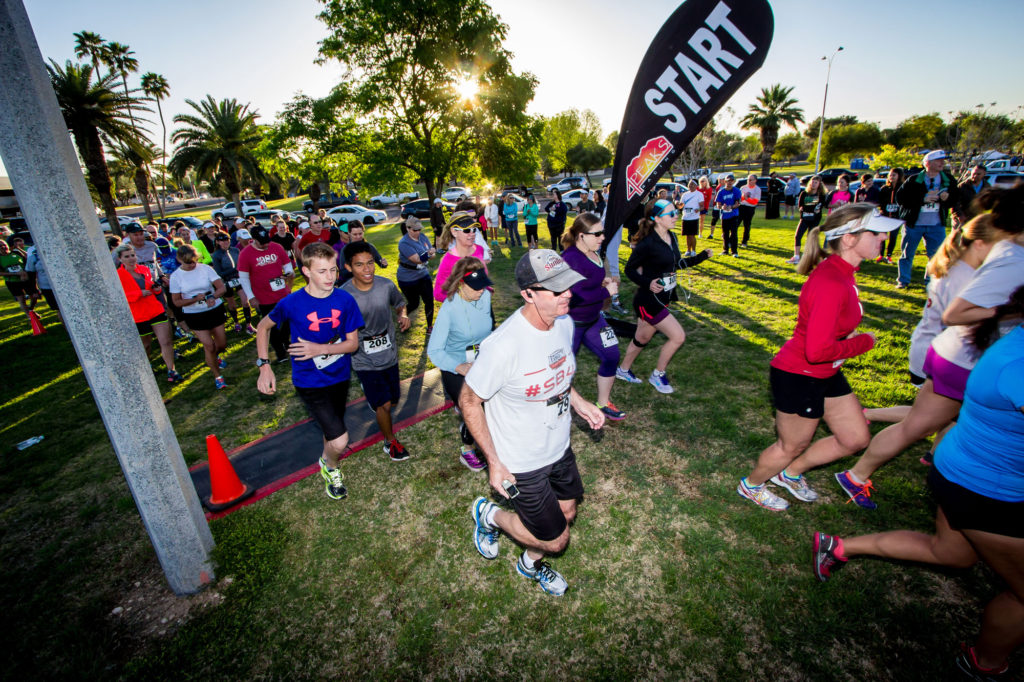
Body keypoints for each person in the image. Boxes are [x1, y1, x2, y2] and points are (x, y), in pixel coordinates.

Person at [813, 296, 1024, 681]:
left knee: (952, 554)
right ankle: (984, 664)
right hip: (988, 488)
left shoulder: (1011, 341)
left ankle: (840, 547)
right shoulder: (1018, 361)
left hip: (962, 469)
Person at [835, 188, 1024, 508]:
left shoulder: (969, 266)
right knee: (921, 423)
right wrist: (1014, 309)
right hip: (958, 357)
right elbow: (957, 315)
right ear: (982, 243)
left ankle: (933, 460)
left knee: (939, 420)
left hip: (955, 354)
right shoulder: (997, 264)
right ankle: (859, 470)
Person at [736, 204, 901, 511]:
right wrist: (863, 342)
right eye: (875, 232)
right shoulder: (831, 282)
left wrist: (845, 338)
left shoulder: (844, 274)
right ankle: (752, 485)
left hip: (826, 373)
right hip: (801, 375)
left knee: (855, 438)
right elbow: (816, 351)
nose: (883, 238)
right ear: (849, 239)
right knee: (792, 445)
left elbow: (828, 336)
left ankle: (790, 474)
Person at [463, 249, 604, 597]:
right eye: (556, 291)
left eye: (568, 286)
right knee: (556, 540)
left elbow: (557, 376)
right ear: (527, 293)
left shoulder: (564, 321)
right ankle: (489, 515)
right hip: (520, 460)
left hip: (558, 445)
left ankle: (528, 563)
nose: (567, 295)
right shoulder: (503, 346)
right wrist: (495, 464)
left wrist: (580, 402)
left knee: (568, 511)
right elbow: (469, 400)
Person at [256, 242, 363, 500]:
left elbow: (353, 343)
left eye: (333, 270)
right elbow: (262, 327)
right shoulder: (291, 303)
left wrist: (319, 349)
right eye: (322, 271)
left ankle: (330, 463)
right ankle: (330, 465)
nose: (330, 277)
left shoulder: (345, 299)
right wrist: (264, 366)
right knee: (339, 440)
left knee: (332, 430)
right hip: (308, 380)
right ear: (306, 271)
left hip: (339, 376)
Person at [616, 199, 712, 393]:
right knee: (678, 337)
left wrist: (701, 256)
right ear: (657, 218)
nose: (676, 216)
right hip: (649, 301)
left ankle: (622, 370)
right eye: (671, 214)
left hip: (664, 297)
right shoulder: (648, 243)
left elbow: (676, 264)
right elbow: (629, 269)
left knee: (642, 338)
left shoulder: (673, 237)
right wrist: (648, 283)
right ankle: (657, 375)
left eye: (676, 212)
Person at [341, 240, 412, 461]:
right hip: (363, 359)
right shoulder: (344, 296)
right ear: (348, 268)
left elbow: (400, 303)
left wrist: (403, 315)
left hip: (389, 354)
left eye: (370, 263)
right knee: (384, 404)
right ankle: (390, 441)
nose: (367, 269)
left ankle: (378, 401)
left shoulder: (386, 285)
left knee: (393, 399)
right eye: (360, 265)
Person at [426, 257, 493, 471]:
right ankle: (467, 450)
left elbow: (490, 330)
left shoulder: (486, 297)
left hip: (481, 362)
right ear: (461, 284)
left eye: (483, 285)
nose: (481, 291)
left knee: (491, 406)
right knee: (472, 409)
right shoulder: (449, 308)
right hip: (456, 365)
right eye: (476, 287)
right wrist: (459, 367)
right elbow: (435, 350)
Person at [561, 213, 625, 420]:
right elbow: (574, 296)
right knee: (563, 369)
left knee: (612, 355)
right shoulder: (570, 258)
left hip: (594, 319)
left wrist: (603, 281)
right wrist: (606, 293)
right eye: (597, 234)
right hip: (572, 324)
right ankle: (558, 407)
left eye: (602, 233)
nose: (602, 237)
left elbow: (589, 280)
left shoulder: (593, 252)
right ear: (581, 236)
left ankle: (604, 402)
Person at [114, 243, 180, 383]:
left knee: (166, 341)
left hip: (155, 309)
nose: (131, 258)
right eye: (127, 256)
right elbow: (118, 296)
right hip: (138, 315)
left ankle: (172, 370)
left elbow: (151, 287)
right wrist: (138, 293)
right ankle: (147, 366)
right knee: (146, 345)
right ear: (120, 259)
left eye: (133, 255)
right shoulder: (117, 275)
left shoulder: (144, 269)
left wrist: (156, 289)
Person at [895, 149, 960, 289]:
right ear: (928, 163)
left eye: (943, 160)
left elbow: (955, 199)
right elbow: (900, 199)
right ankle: (903, 281)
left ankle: (930, 281)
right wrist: (922, 199)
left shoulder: (948, 180)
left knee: (936, 255)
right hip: (914, 224)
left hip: (936, 224)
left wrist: (946, 199)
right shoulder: (913, 180)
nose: (942, 163)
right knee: (907, 254)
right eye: (938, 160)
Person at [169, 244, 229, 389]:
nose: (192, 265)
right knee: (209, 345)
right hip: (194, 314)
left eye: (194, 261)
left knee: (221, 344)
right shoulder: (176, 276)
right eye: (188, 263)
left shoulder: (206, 268)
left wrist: (212, 296)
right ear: (179, 259)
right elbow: (176, 302)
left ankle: (216, 356)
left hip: (214, 309)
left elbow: (222, 287)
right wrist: (195, 299)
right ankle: (218, 376)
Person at [238, 224, 295, 364]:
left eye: (266, 243)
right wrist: (250, 296)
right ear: (254, 240)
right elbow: (243, 278)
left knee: (289, 320)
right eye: (261, 243)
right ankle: (280, 353)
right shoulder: (245, 254)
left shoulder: (276, 247)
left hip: (282, 292)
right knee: (271, 325)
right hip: (263, 296)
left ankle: (285, 341)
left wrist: (288, 273)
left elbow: (287, 264)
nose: (265, 246)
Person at [433, 211, 490, 303]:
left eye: (474, 230)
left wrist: (487, 289)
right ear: (454, 232)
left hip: (483, 303)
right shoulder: (448, 260)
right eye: (466, 230)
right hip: (464, 310)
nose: (472, 234)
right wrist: (464, 299)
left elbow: (481, 277)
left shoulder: (479, 249)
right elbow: (438, 294)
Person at [396, 216, 437, 333]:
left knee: (429, 300)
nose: (418, 232)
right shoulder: (404, 243)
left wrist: (430, 253)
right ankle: (402, 317)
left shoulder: (423, 237)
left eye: (419, 229)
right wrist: (429, 253)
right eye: (415, 230)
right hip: (407, 278)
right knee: (414, 303)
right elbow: (417, 259)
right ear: (407, 228)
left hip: (422, 274)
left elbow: (432, 255)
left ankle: (429, 327)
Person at [211, 232, 256, 334]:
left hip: (239, 278)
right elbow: (219, 273)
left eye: (227, 239)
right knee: (232, 304)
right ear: (218, 242)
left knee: (245, 301)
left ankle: (249, 324)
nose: (225, 242)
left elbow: (242, 264)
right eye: (222, 240)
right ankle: (236, 322)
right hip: (227, 281)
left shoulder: (235, 250)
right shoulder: (216, 255)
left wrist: (240, 270)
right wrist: (235, 269)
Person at [786, 175, 827, 264]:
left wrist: (809, 208)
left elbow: (819, 207)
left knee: (810, 237)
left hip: (814, 219)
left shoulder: (821, 195)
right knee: (798, 236)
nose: (813, 184)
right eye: (812, 182)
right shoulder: (804, 193)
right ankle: (796, 256)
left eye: (816, 182)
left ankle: (808, 256)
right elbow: (800, 206)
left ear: (819, 184)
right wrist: (806, 208)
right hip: (804, 218)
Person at [336, 221, 386, 286]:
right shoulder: (345, 250)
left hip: (369, 283)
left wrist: (383, 263)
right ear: (349, 233)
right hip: (353, 284)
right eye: (355, 234)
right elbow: (343, 273)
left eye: (360, 234)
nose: (358, 237)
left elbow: (381, 263)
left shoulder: (369, 247)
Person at [24, 245, 60, 323]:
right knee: (59, 309)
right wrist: (34, 290)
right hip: (47, 287)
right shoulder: (33, 256)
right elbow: (30, 275)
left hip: (62, 284)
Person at [875, 168, 903, 264]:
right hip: (885, 216)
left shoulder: (902, 188)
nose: (891, 177)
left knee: (893, 237)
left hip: (896, 217)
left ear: (899, 176)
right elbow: (880, 202)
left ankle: (889, 255)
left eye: (894, 175)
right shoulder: (885, 189)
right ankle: (881, 255)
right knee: (882, 236)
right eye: (890, 175)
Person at [0, 238, 36, 315]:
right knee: (21, 300)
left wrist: (19, 249)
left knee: (34, 297)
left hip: (25, 278)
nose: (3, 247)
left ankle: (30, 309)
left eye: (4, 245)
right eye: (0, 246)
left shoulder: (16, 252)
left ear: (7, 245)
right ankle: (29, 316)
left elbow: (28, 258)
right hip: (12, 281)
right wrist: (16, 274)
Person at [714, 173, 742, 257]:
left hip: (734, 214)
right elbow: (718, 205)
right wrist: (723, 207)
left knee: (734, 233)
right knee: (725, 233)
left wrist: (731, 206)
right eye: (728, 181)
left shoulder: (736, 191)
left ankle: (734, 251)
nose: (729, 183)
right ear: (724, 181)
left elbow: (738, 203)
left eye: (731, 181)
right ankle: (725, 250)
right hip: (724, 216)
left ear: (733, 182)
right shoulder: (721, 192)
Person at [679, 179, 704, 256]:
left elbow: (702, 206)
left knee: (692, 235)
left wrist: (698, 210)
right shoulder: (685, 195)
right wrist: (676, 202)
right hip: (685, 217)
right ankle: (688, 250)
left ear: (696, 186)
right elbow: (681, 206)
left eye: (693, 184)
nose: (691, 186)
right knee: (687, 235)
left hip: (694, 217)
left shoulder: (699, 194)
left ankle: (693, 250)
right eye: (690, 184)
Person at [738, 174, 761, 248]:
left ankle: (744, 241)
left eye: (751, 180)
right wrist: (743, 198)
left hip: (750, 208)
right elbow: (740, 199)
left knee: (747, 225)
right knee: (736, 224)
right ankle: (730, 240)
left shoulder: (757, 189)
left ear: (755, 180)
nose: (749, 181)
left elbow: (755, 201)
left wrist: (747, 199)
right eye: (748, 179)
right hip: (741, 207)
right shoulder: (743, 188)